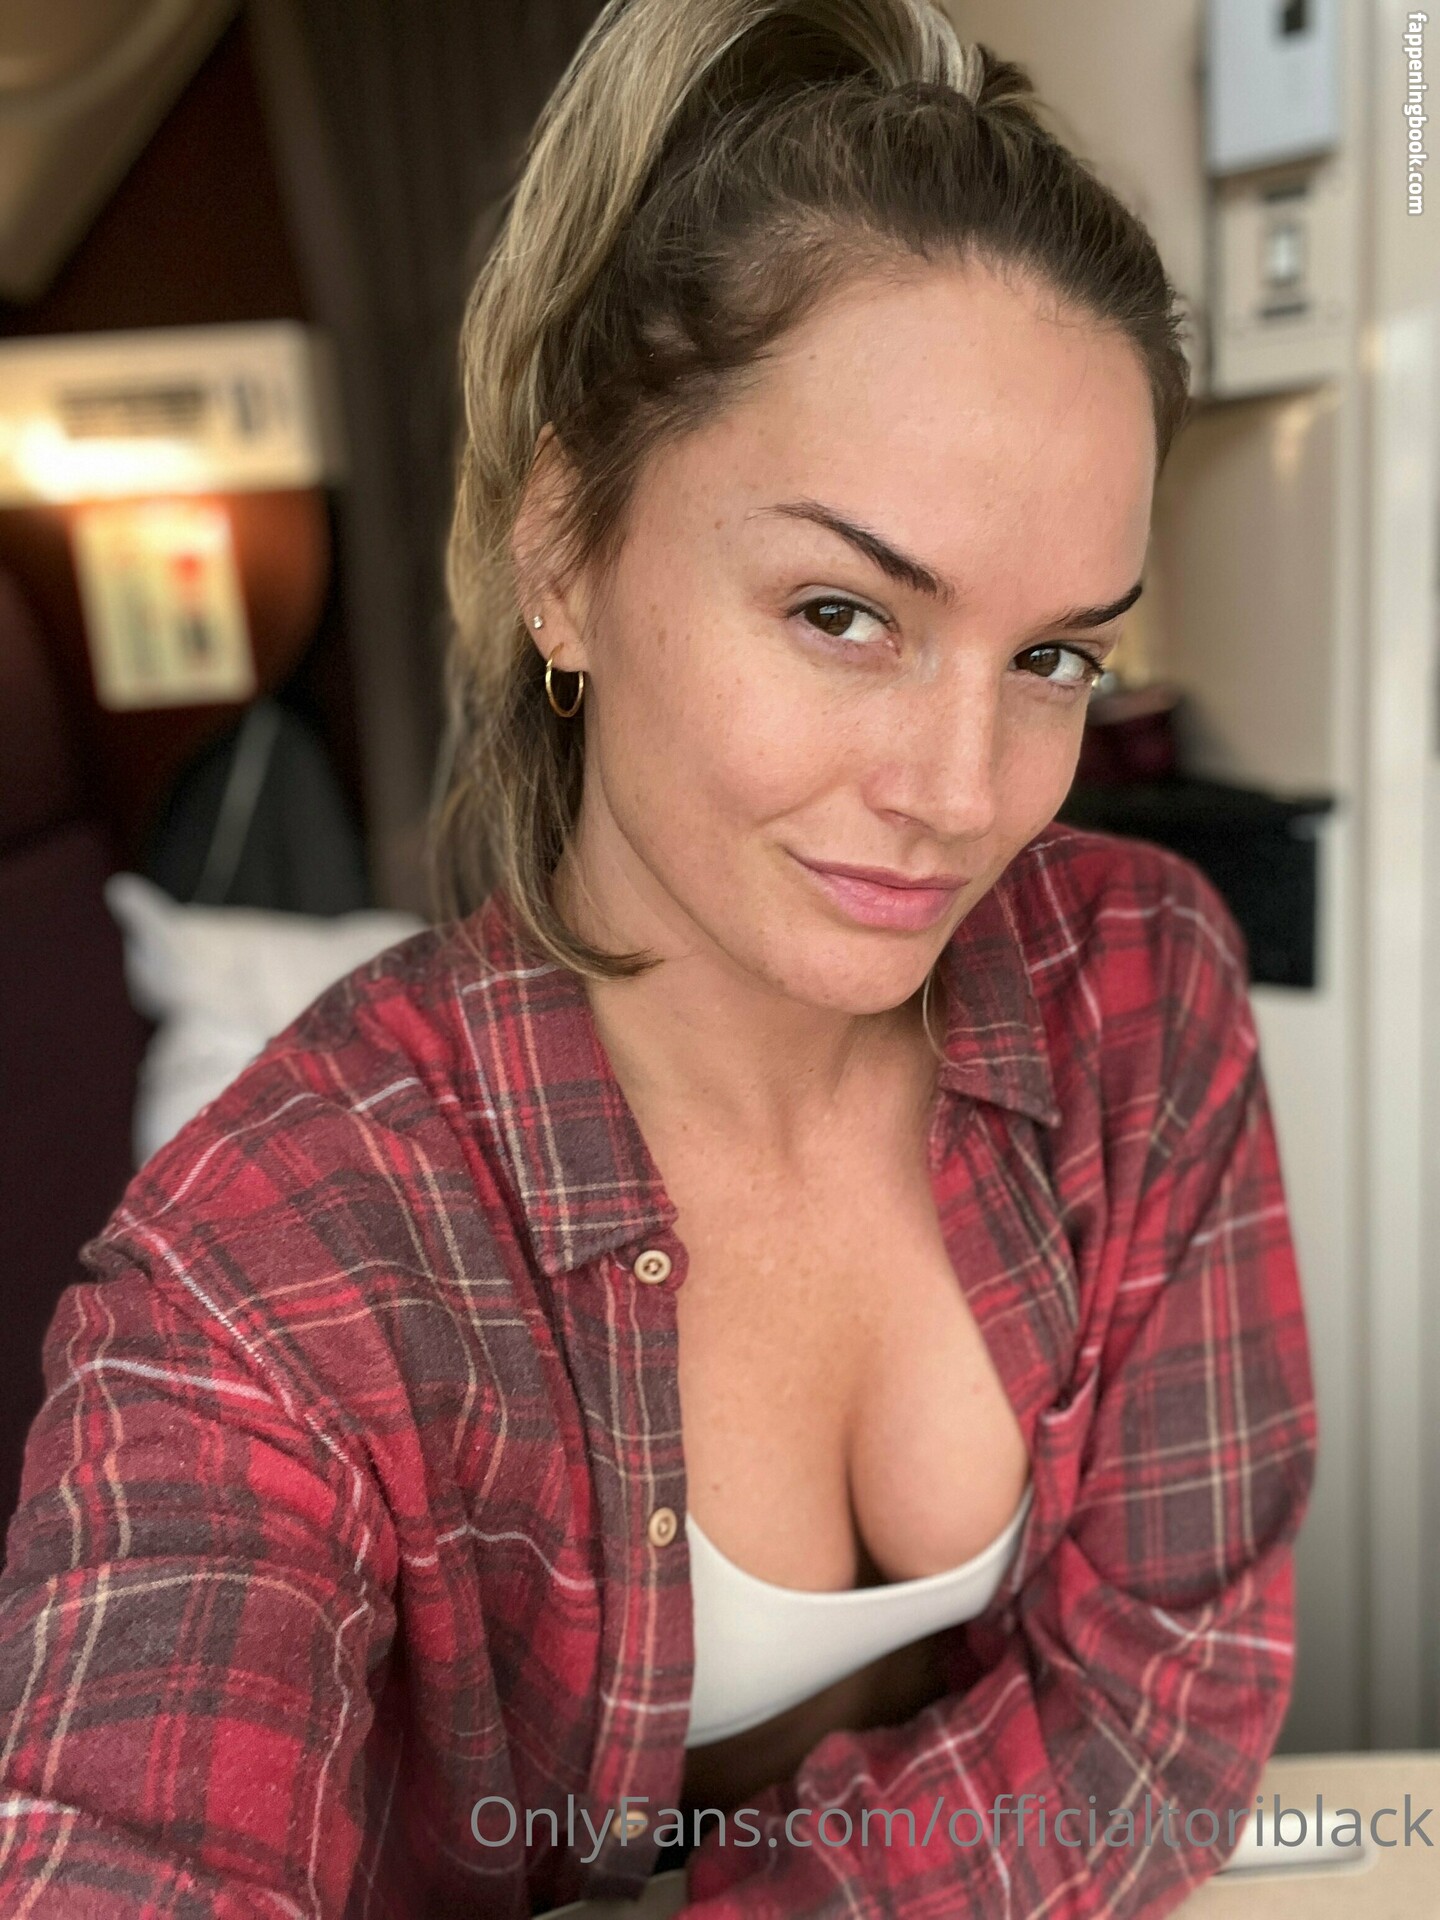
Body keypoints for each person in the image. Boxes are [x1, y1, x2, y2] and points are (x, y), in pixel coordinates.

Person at [0, 2, 1319, 1916]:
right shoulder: (269, 1271)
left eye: (1053, 657)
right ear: (561, 553)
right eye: (843, 611)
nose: (964, 798)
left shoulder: (1138, 986)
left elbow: (1172, 1704)